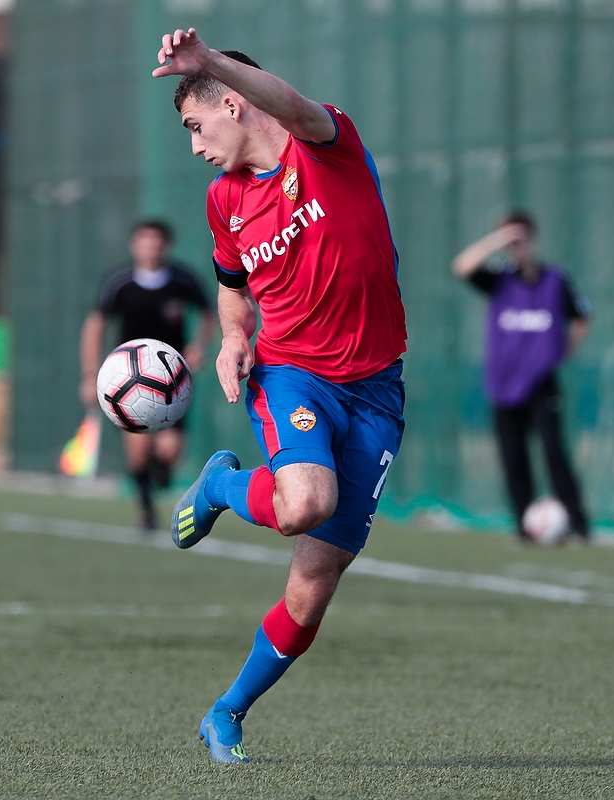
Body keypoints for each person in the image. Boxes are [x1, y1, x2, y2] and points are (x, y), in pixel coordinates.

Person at [153, 30, 407, 763]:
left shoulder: (324, 146)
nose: (195, 146)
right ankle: (223, 485)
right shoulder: (224, 201)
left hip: (378, 389)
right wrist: (234, 337)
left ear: (233, 103)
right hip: (293, 374)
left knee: (312, 587)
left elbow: (291, 105)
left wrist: (210, 62)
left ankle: (226, 712)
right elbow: (233, 290)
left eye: (196, 126)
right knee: (303, 504)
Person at [452, 212, 592, 542]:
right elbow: (462, 266)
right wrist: (498, 240)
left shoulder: (556, 279)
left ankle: (578, 524)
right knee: (513, 457)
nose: (516, 246)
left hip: (541, 382)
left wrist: (563, 351)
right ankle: (525, 525)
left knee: (554, 452)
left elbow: (582, 317)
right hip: (503, 383)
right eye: (510, 240)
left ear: (534, 239)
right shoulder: (499, 279)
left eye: (520, 238)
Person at [79, 220, 214, 530]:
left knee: (170, 450)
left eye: (157, 240)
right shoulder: (119, 282)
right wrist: (89, 375)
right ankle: (146, 511)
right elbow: (95, 325)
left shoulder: (182, 279)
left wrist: (200, 345)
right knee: (138, 450)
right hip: (127, 383)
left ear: (166, 246)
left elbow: (208, 311)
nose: (151, 246)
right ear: (134, 245)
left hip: (172, 381)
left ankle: (161, 472)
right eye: (145, 240)